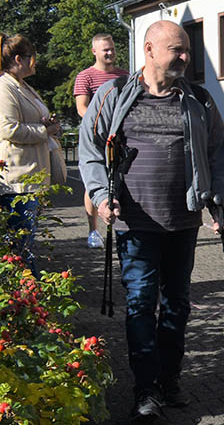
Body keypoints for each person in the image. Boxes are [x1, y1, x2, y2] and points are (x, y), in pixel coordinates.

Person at [79, 20, 224, 422]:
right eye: (176, 50)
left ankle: (169, 380)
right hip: (134, 223)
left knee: (177, 305)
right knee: (142, 305)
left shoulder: (199, 99)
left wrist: (219, 201)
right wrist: (100, 195)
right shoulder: (114, 95)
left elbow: (217, 153)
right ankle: (145, 390)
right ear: (148, 50)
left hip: (183, 221)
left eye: (186, 50)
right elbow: (91, 149)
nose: (185, 57)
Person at [0, 33, 62, 274]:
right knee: (20, 244)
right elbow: (7, 128)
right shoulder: (5, 88)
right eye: (31, 57)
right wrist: (43, 130)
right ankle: (27, 294)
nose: (35, 62)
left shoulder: (23, 86)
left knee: (25, 241)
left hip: (33, 175)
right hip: (18, 179)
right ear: (18, 59)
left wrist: (51, 126)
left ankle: (28, 294)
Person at [74, 33, 129, 249]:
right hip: (97, 138)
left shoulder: (125, 75)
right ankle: (93, 230)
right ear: (94, 51)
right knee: (94, 181)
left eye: (112, 48)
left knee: (119, 180)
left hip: (120, 139)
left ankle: (119, 222)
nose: (110, 52)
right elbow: (82, 109)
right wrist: (102, 126)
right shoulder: (85, 76)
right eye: (105, 49)